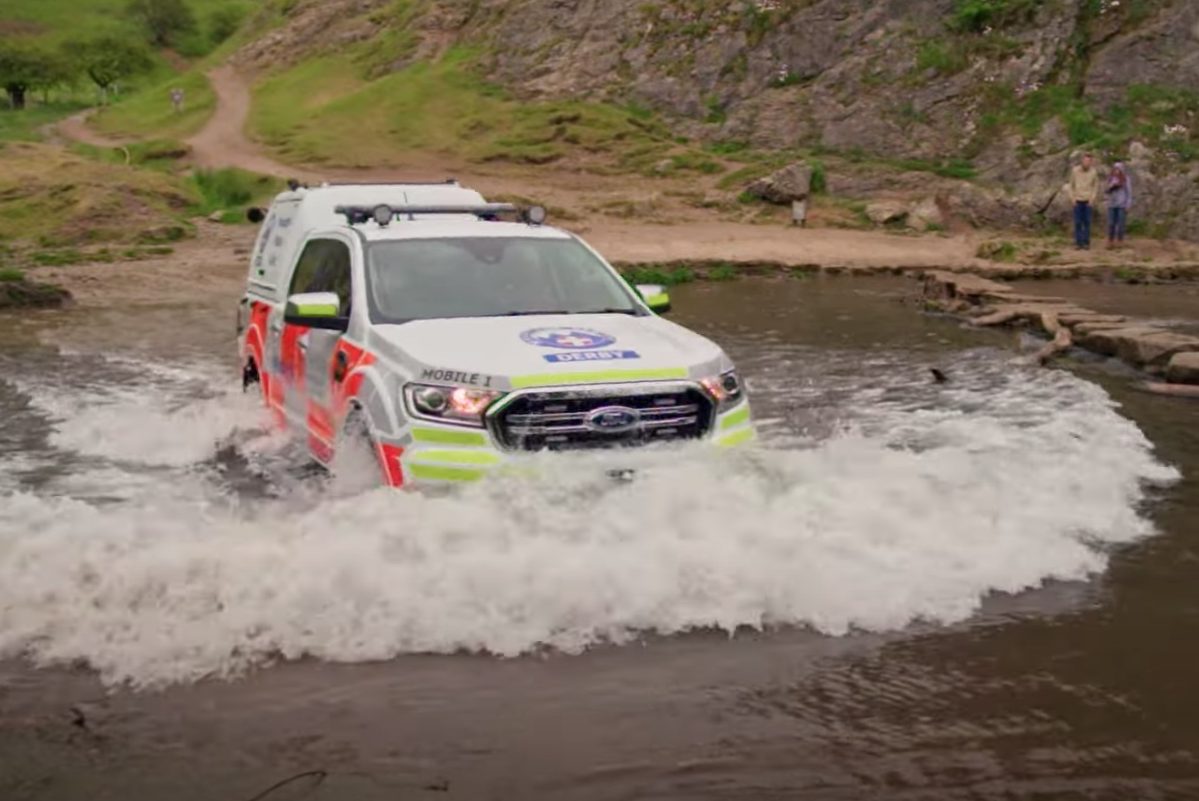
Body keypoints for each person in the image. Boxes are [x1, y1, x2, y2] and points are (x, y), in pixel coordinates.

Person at [1067, 152, 1099, 250]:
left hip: (1088, 200)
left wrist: (1092, 199)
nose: (1086, 163)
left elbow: (1095, 186)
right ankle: (1078, 242)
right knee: (1078, 222)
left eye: (1088, 161)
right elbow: (1071, 185)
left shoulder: (1093, 172)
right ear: (1082, 161)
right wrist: (1072, 198)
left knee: (1087, 222)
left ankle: (1086, 242)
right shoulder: (1075, 171)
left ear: (1091, 162)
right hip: (1077, 199)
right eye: (1085, 160)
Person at [1105, 161, 1132, 249]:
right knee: (1111, 223)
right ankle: (1110, 241)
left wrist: (1128, 204)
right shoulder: (1110, 179)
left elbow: (1129, 193)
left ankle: (1120, 241)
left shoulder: (1125, 179)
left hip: (1121, 204)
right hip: (1112, 204)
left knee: (1121, 224)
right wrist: (1111, 186)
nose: (1117, 171)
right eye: (1115, 169)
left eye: (1118, 169)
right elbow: (1106, 191)